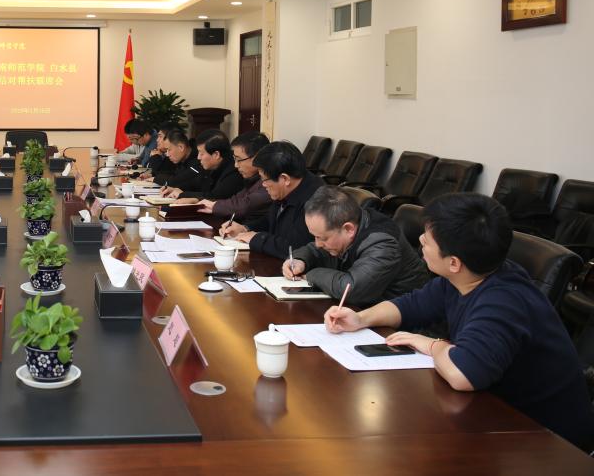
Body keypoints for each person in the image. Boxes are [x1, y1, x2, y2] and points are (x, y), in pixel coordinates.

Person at [325, 193, 594, 451]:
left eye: (428, 239)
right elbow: (409, 306)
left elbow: (464, 374)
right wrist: (360, 318)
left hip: (546, 441)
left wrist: (433, 345)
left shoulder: (503, 300)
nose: (420, 240)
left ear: (454, 262)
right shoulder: (464, 278)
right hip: (493, 415)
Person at [283, 186, 431, 305]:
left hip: (400, 323)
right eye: (315, 236)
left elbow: (350, 289)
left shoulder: (383, 244)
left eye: (322, 238)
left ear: (348, 229)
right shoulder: (353, 220)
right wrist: (300, 260)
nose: (317, 244)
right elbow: (316, 250)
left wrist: (311, 274)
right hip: (365, 311)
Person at [221, 140, 323, 259]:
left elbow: (296, 248)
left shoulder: (316, 201)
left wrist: (257, 238)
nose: (263, 185)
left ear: (285, 179)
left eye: (264, 179)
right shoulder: (286, 189)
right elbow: (270, 220)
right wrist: (245, 228)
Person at [197, 131, 271, 225]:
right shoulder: (253, 179)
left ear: (258, 158)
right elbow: (235, 200)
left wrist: (214, 206)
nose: (236, 165)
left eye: (239, 160)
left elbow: (244, 205)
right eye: (235, 159)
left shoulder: (270, 180)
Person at [164, 129, 244, 201]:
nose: (198, 157)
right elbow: (197, 184)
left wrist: (182, 194)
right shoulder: (211, 167)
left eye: (201, 153)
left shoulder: (234, 170)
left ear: (216, 154)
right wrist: (176, 189)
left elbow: (215, 197)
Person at [157, 129, 202, 194]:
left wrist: (155, 178)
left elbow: (175, 182)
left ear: (181, 147)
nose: (167, 154)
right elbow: (173, 174)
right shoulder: (183, 159)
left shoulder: (197, 160)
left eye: (169, 150)